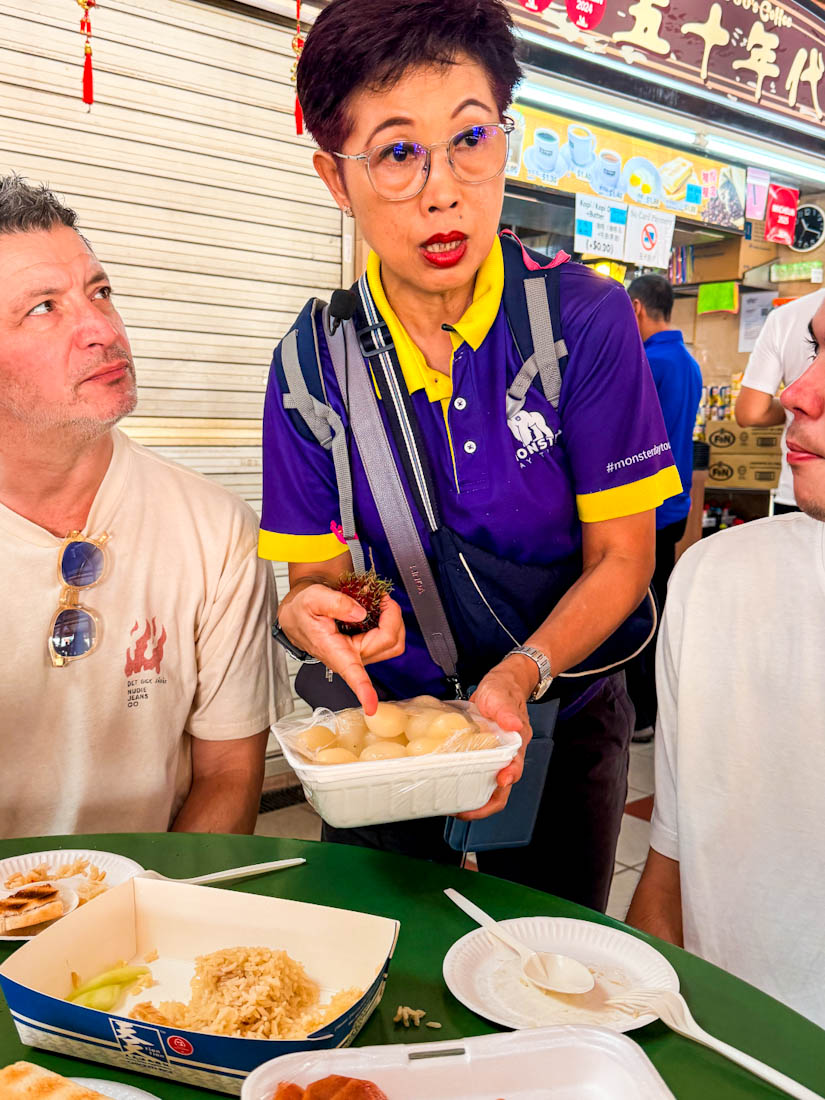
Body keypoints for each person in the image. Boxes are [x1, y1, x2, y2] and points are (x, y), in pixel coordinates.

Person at [259, 0, 682, 911]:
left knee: (547, 953)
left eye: (470, 139)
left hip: (560, 712)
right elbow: (315, 580)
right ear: (336, 177)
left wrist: (518, 675)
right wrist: (321, 613)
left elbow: (623, 557)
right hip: (389, 734)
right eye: (397, 152)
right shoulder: (308, 366)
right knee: (385, 946)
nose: (443, 191)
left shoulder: (580, 321)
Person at [0, 175, 291, 840]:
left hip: (154, 898)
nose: (101, 329)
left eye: (99, 291)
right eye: (43, 308)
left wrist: (144, 902)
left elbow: (229, 775)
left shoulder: (215, 532)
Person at [626, 297, 825, 1028]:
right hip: (718, 1044)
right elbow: (670, 871)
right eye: (814, 350)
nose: (796, 393)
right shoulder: (717, 581)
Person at [625, 275, 702, 738]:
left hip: (644, 509)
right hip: (674, 506)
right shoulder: (687, 362)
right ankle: (657, 710)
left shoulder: (646, 362)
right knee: (659, 607)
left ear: (635, 308)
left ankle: (643, 713)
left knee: (637, 613)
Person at [736, 288, 825, 514]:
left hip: (791, 494)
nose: (789, 396)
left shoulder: (786, 317)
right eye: (814, 348)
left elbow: (750, 412)